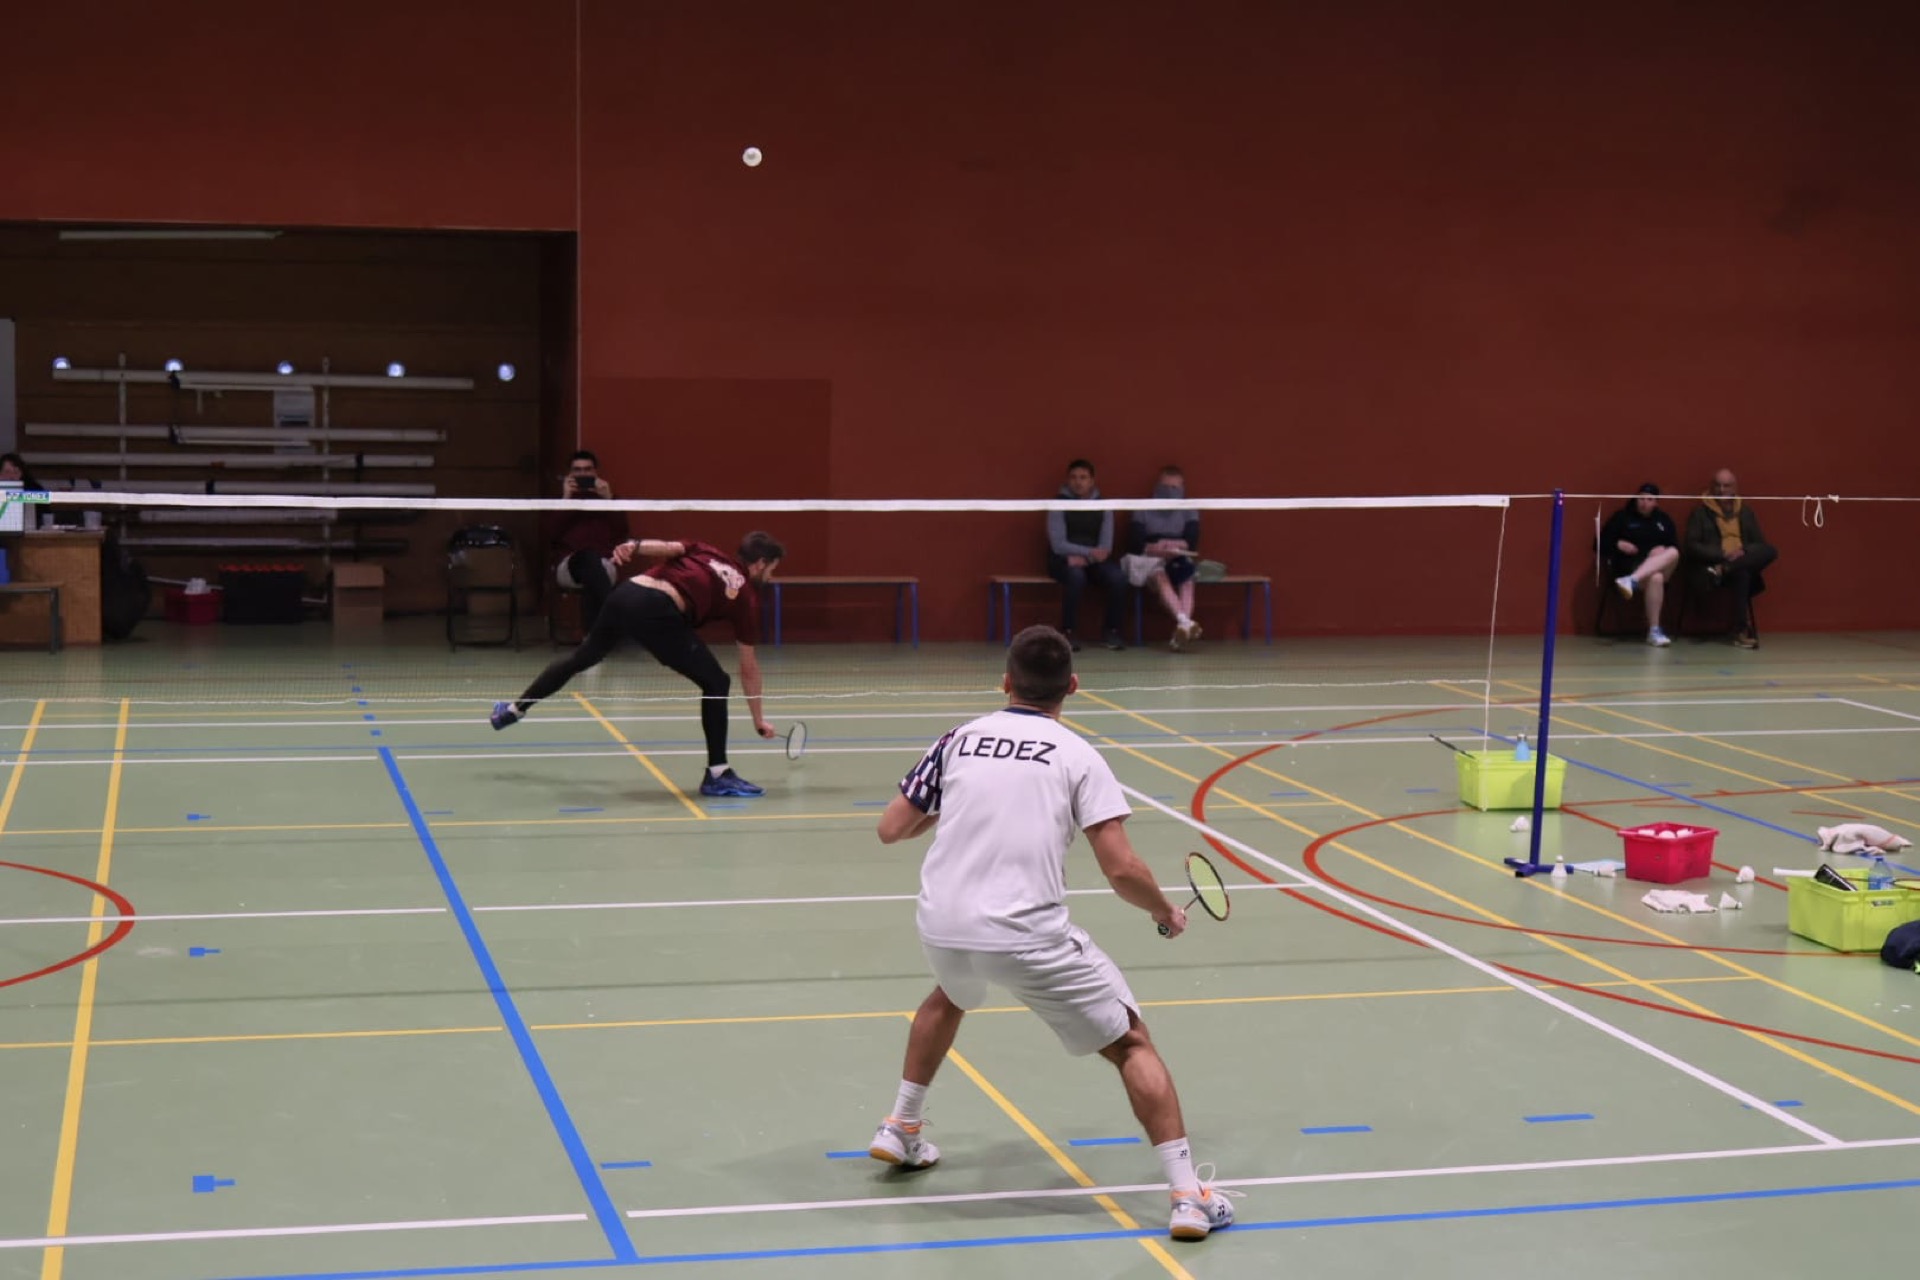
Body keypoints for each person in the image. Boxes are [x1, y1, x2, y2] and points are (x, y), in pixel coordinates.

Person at [865, 624, 1236, 1243]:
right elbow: (1122, 869)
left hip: (941, 924)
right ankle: (1187, 1196)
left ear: (1006, 682)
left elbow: (891, 828)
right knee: (1131, 1043)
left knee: (949, 994)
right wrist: (1165, 912)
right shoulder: (1078, 755)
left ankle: (901, 1126)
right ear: (1074, 686)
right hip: (1025, 935)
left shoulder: (959, 739)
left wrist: (959, 805)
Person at [491, 532, 784, 798]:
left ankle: (513, 710)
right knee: (717, 682)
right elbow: (748, 666)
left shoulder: (709, 551)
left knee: (583, 657)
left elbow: (667, 547)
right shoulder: (746, 595)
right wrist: (758, 719)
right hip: (657, 608)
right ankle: (718, 774)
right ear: (760, 563)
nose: (770, 576)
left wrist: (635, 545)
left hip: (627, 592)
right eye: (772, 569)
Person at [1684, 469, 1776, 649]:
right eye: (1718, 485)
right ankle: (1740, 631)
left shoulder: (1746, 512)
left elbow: (1759, 543)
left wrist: (1743, 551)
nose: (1721, 490)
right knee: (1742, 573)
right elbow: (1691, 545)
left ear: (1735, 488)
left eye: (1726, 486)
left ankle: (1725, 569)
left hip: (1735, 563)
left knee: (1770, 551)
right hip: (1711, 567)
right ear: (1711, 487)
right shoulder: (1700, 513)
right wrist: (1723, 554)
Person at [1045, 459, 1128, 651]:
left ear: (1092, 481)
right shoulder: (1057, 504)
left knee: (1118, 578)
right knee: (1076, 576)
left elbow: (1105, 546)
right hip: (1062, 560)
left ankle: (1111, 631)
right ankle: (1068, 632)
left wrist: (1088, 558)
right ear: (1068, 480)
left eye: (1083, 478)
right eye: (1073, 477)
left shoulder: (1104, 506)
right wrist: (1086, 553)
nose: (1078, 482)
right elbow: (1058, 544)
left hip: (1094, 560)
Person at [550, 450, 630, 633]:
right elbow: (551, 534)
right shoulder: (560, 502)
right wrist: (566, 500)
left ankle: (592, 637)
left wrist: (609, 500)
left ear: (595, 472)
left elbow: (621, 532)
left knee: (592, 571)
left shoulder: (609, 500)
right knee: (587, 558)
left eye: (587, 470)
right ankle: (609, 623)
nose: (583, 474)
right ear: (570, 474)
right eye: (577, 470)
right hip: (569, 564)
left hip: (604, 562)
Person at [1125, 465, 1203, 649]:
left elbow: (1191, 542)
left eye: (1174, 488)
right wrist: (1155, 548)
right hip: (1147, 559)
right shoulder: (1142, 508)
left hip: (1177, 557)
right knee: (1160, 577)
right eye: (1165, 487)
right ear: (1156, 486)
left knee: (1187, 579)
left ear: (1182, 488)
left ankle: (1182, 629)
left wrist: (1174, 545)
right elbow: (1135, 543)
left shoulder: (1189, 509)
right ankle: (1185, 622)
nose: (1169, 492)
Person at [1603, 482, 1679, 647]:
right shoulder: (1622, 517)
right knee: (1656, 578)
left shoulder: (1663, 520)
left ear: (1656, 502)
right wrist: (1618, 544)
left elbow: (1674, 545)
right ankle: (1654, 631)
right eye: (1641, 498)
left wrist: (1660, 550)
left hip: (1657, 565)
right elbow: (1599, 544)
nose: (1644, 502)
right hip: (1629, 566)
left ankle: (1632, 580)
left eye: (1649, 499)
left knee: (1672, 552)